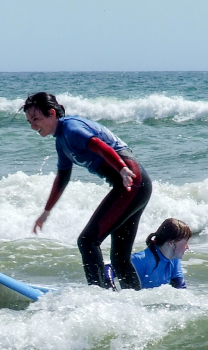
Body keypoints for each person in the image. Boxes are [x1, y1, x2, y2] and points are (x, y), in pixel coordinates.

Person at [24, 92, 152, 290]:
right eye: (29, 121)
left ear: (51, 113)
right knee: (119, 258)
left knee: (87, 241)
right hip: (135, 185)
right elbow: (62, 178)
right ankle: (134, 301)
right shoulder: (61, 141)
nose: (32, 126)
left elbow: (98, 145)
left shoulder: (71, 129)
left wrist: (121, 169)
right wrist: (46, 211)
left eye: (36, 119)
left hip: (131, 182)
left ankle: (98, 296)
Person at [131, 218, 192, 289]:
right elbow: (115, 268)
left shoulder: (174, 259)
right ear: (171, 243)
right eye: (185, 242)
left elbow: (181, 289)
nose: (187, 247)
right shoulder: (141, 260)